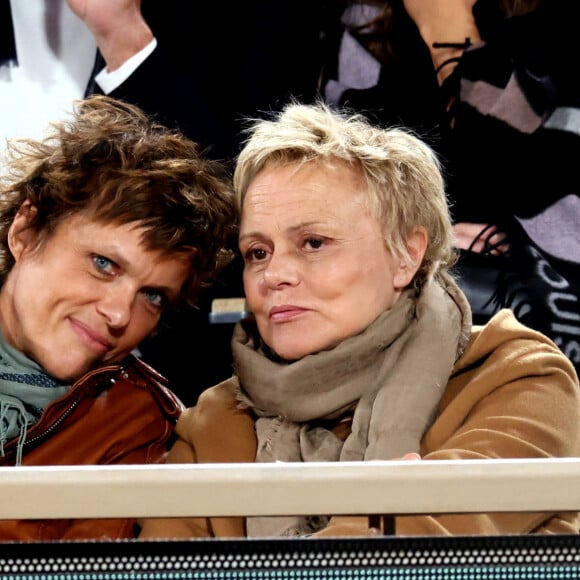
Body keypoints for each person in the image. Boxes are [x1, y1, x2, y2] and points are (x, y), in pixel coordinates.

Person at [137, 101, 580, 539]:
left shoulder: (519, 379)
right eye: (258, 252)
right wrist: (384, 518)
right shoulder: (213, 424)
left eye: (313, 242)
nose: (274, 275)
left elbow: (410, 554)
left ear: (407, 254)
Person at [0, 93, 237, 541]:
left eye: (151, 296)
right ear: (26, 232)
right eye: (103, 264)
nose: (117, 314)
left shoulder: (137, 421)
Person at [319, 0, 580, 374]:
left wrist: (451, 34)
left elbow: (526, 181)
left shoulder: (557, 44)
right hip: (389, 354)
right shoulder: (361, 32)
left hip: (540, 343)